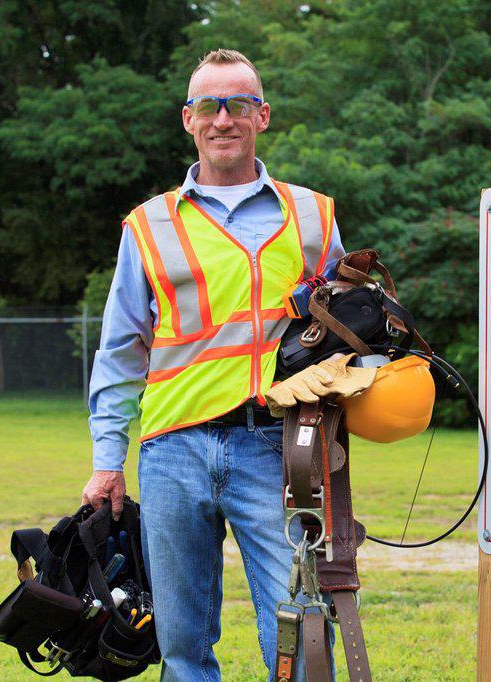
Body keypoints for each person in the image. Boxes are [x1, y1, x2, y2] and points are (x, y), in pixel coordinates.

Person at [81, 49, 344, 681]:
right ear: (188, 119)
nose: (223, 118)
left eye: (239, 104)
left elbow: (343, 331)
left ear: (263, 116)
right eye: (209, 105)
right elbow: (121, 350)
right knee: (182, 647)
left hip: (279, 446)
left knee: (302, 629)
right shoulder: (149, 225)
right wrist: (106, 461)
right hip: (172, 451)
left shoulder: (312, 216)